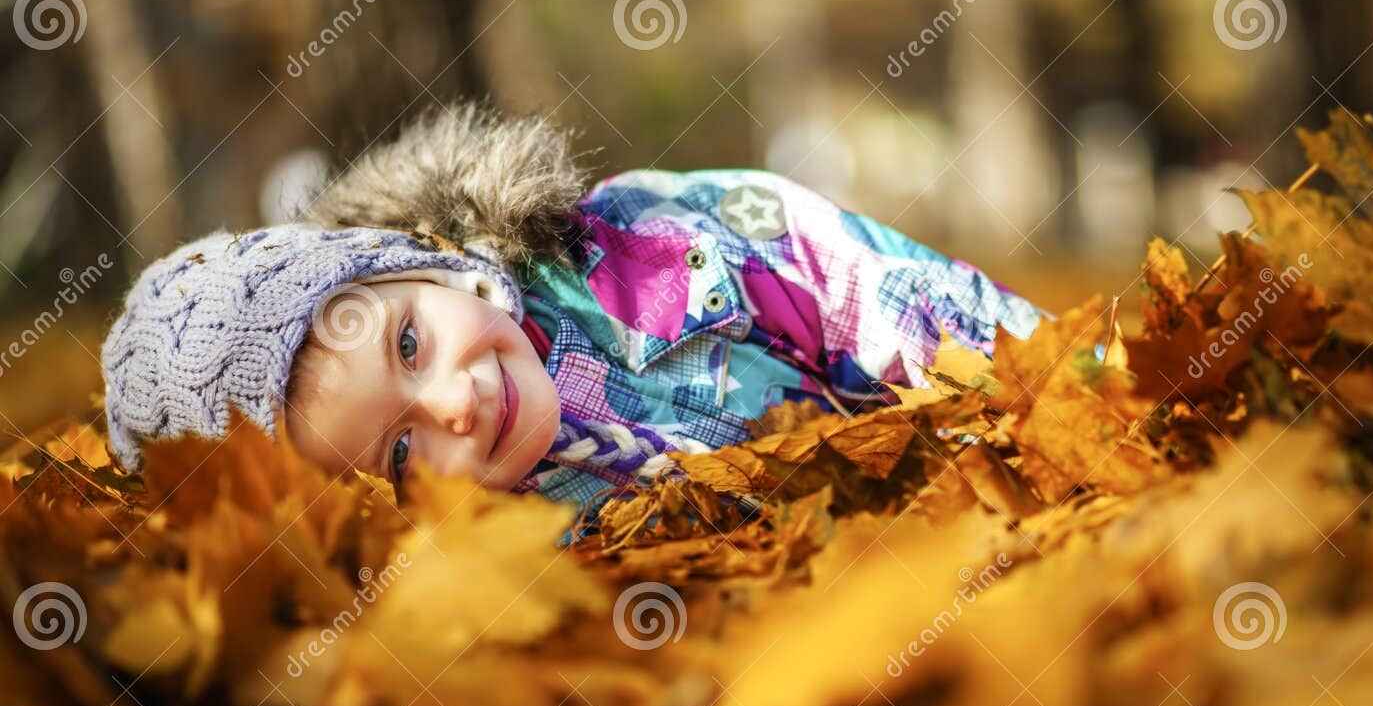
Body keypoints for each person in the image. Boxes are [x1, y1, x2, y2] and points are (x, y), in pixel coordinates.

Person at [101, 102, 1049, 519]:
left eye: (409, 343)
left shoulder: (648, 246)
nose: (452, 408)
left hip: (939, 459)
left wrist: (1038, 379)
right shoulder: (490, 566)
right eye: (397, 454)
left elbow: (845, 276)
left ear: (432, 265)